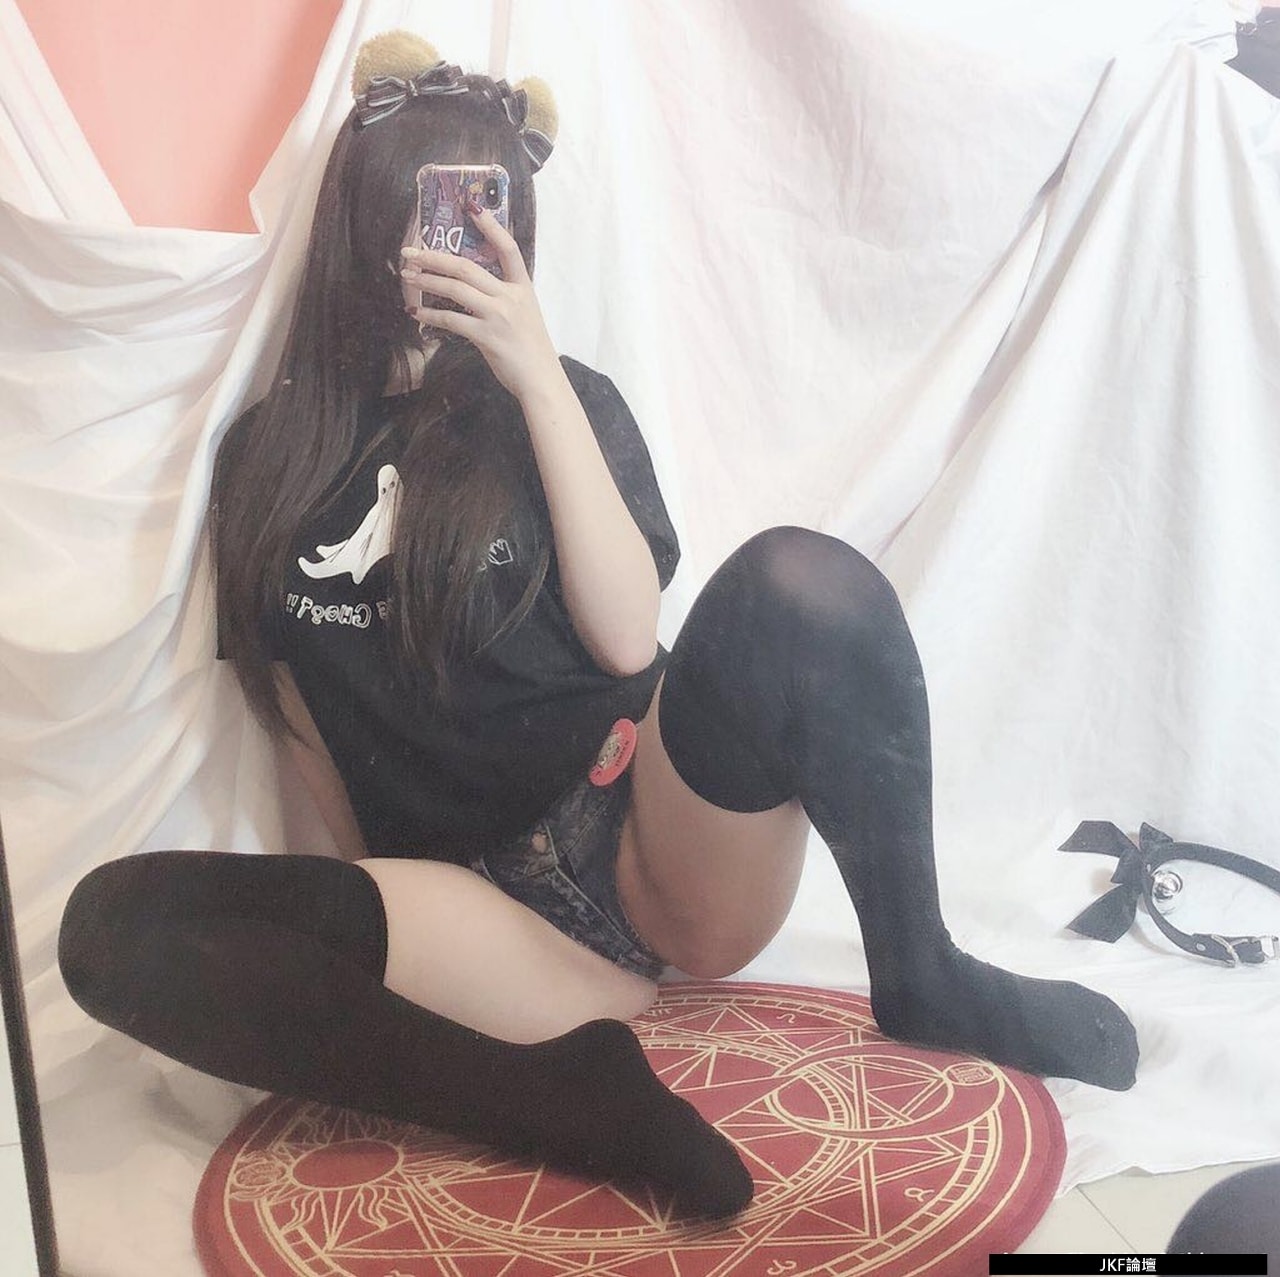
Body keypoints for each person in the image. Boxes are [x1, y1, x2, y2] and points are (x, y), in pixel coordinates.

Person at [57, 31, 1138, 1220]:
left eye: (473, 216)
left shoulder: (563, 402)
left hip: (649, 838)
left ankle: (921, 969)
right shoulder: (270, 455)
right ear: (358, 216)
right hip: (467, 898)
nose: (436, 245)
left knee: (797, 583)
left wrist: (531, 374)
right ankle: (554, 1096)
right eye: (415, 208)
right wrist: (360, 934)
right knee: (111, 926)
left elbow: (627, 640)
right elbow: (300, 719)